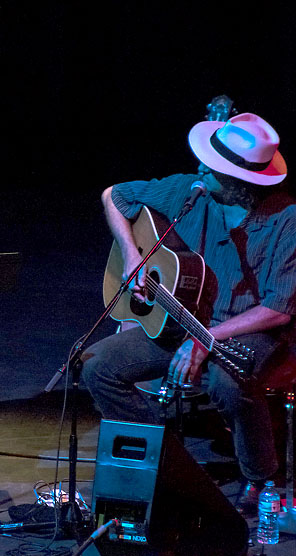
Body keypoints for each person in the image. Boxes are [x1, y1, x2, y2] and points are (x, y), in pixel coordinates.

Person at [83, 112, 296, 516]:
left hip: (249, 329)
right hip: (184, 318)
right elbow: (114, 195)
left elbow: (277, 309)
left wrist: (207, 340)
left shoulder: (287, 220)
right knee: (98, 367)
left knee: (226, 381)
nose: (201, 168)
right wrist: (132, 256)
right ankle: (169, 463)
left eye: (214, 168)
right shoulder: (189, 191)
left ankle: (260, 477)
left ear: (239, 183)